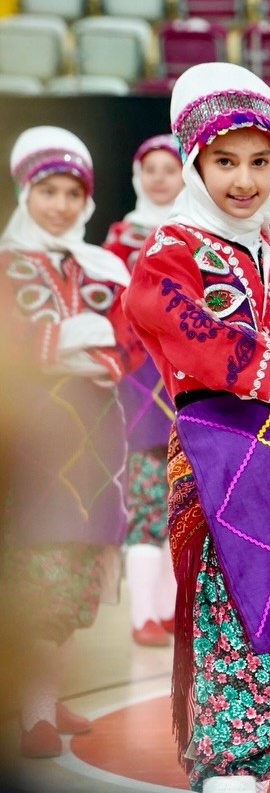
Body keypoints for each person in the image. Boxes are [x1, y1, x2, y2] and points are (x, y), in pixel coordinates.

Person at [124, 62, 270, 793]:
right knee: (231, 623)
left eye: (261, 162)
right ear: (194, 161)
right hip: (216, 466)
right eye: (225, 160)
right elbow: (189, 340)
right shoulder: (169, 256)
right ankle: (230, 774)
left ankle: (247, 776)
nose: (245, 179)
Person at [0, 126, 134, 759]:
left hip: (97, 435)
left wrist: (72, 341)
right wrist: (83, 335)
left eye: (71, 192)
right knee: (42, 566)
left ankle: (49, 694)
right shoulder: (7, 264)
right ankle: (34, 714)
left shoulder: (105, 266)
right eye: (47, 190)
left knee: (80, 566)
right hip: (35, 437)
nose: (59, 204)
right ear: (26, 192)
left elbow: (130, 344)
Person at [103, 133, 185, 647]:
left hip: (190, 383)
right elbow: (112, 317)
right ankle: (143, 616)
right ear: (137, 176)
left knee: (184, 501)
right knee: (148, 497)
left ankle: (173, 611)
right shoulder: (117, 243)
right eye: (149, 167)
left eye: (169, 167)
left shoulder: (194, 235)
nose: (159, 177)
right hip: (139, 387)